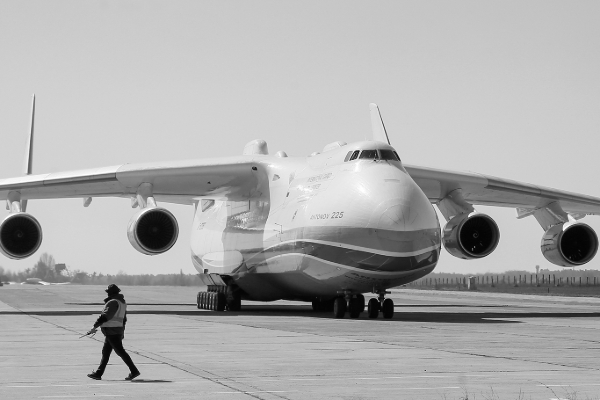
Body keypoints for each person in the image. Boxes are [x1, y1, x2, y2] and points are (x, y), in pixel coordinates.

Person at [87, 284, 140, 381]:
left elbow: (105, 316)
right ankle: (98, 373)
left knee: (120, 352)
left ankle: (134, 371)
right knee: (106, 352)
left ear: (110, 293)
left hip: (112, 331)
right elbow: (124, 319)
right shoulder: (121, 302)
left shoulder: (112, 302)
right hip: (115, 331)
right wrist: (122, 331)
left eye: (108, 292)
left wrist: (94, 327)